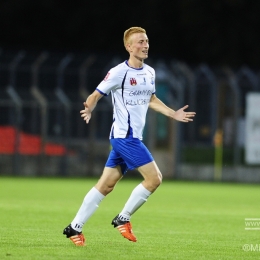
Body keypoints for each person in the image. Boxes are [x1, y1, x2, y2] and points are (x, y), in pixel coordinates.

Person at [63, 26, 196, 246]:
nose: (145, 45)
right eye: (140, 42)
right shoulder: (118, 72)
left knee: (105, 186)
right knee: (154, 179)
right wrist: (89, 107)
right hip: (125, 137)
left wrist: (173, 113)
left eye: (146, 41)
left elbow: (151, 99)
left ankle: (74, 227)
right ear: (128, 47)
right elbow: (96, 94)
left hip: (131, 138)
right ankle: (122, 218)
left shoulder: (150, 72)